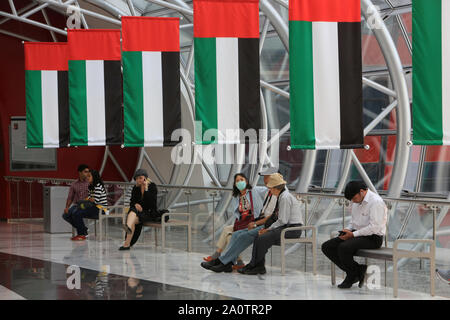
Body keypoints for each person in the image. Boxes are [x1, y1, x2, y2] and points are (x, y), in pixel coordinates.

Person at [202, 173, 285, 273]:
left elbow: (275, 214)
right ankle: (228, 261)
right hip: (246, 223)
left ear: (246, 181)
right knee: (232, 233)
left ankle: (221, 259)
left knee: (235, 235)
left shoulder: (256, 191)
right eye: (237, 181)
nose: (240, 182)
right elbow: (238, 214)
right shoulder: (236, 196)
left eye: (242, 179)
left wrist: (279, 181)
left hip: (256, 221)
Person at [321, 180, 387, 289]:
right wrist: (347, 230)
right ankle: (357, 270)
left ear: (362, 191)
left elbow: (375, 227)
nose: (353, 201)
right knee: (327, 246)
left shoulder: (376, 202)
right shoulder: (356, 201)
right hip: (357, 234)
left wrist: (353, 235)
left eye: (354, 198)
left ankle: (351, 275)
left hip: (373, 238)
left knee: (344, 247)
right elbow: (353, 221)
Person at [238, 174, 303, 275]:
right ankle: (257, 266)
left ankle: (255, 266)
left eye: (270, 188)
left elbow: (283, 220)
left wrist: (268, 230)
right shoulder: (282, 196)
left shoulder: (284, 198)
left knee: (263, 237)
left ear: (275, 188)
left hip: (292, 229)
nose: (270, 191)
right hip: (286, 227)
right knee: (260, 236)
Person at [63, 169, 108, 241]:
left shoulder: (98, 186)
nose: (87, 178)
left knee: (77, 213)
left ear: (94, 177)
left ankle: (81, 234)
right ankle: (83, 230)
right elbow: (90, 198)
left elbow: (95, 200)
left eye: (89, 176)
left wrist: (89, 199)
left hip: (101, 209)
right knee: (71, 214)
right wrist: (89, 199)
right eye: (87, 176)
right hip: (93, 207)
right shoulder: (91, 186)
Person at [119, 169, 158, 250]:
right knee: (133, 210)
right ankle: (127, 241)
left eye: (140, 178)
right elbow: (132, 202)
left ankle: (127, 240)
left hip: (148, 212)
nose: (138, 180)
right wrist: (135, 204)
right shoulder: (136, 188)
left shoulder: (152, 187)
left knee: (131, 220)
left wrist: (146, 189)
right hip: (137, 212)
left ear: (145, 178)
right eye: (136, 178)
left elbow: (152, 204)